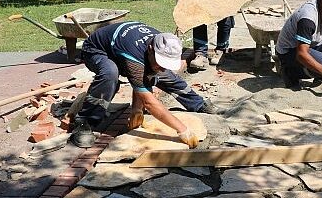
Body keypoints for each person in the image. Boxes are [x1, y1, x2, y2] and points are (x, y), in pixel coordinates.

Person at [70, 21, 220, 148]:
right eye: (161, 62)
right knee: (110, 74)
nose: (162, 67)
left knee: (167, 77)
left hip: (122, 48)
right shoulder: (135, 54)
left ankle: (198, 104)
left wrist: (136, 110)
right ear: (150, 50)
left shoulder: (163, 44)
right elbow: (148, 101)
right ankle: (84, 120)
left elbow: (140, 80)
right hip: (96, 50)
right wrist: (182, 130)